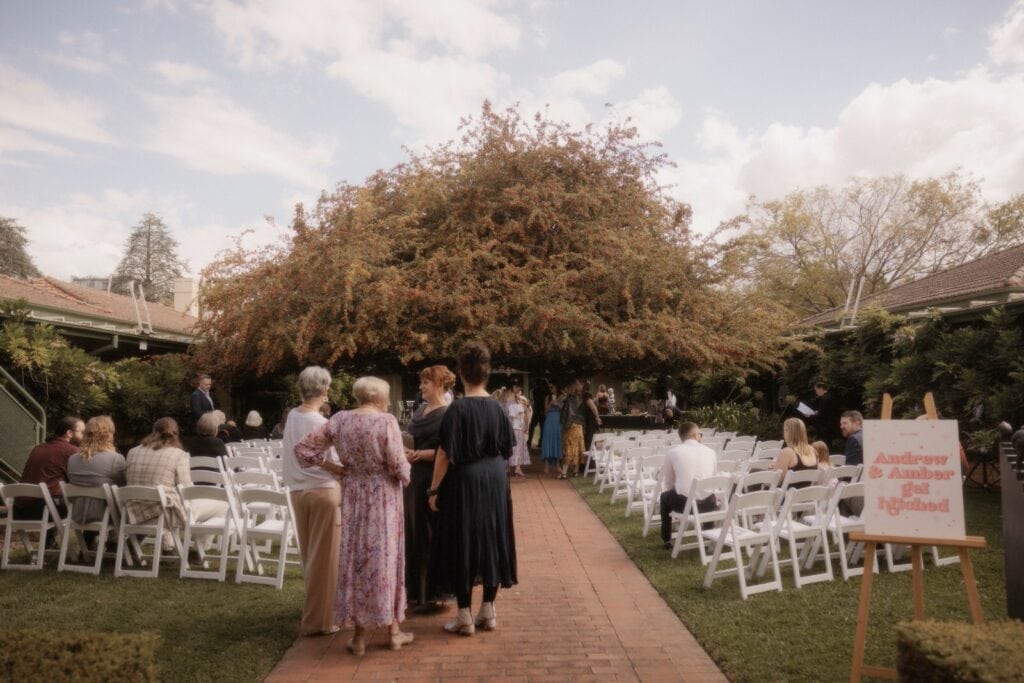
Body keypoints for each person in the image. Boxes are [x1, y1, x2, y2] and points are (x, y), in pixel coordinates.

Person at [295, 376, 412, 655]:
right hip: (383, 497)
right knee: (385, 558)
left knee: (357, 559)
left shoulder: (340, 420)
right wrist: (406, 472)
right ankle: (393, 632)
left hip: (353, 495)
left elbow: (303, 449)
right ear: (380, 397)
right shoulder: (386, 421)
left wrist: (333, 467)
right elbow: (399, 467)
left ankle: (359, 638)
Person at [427, 341, 517, 636]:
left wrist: (433, 489)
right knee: (493, 537)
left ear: (461, 373)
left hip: (464, 480)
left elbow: (444, 454)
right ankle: (488, 610)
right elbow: (507, 450)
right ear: (486, 374)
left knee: (462, 540)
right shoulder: (499, 409)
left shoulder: (457, 409)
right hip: (495, 479)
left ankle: (464, 614)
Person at [282, 366, 342, 637]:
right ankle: (321, 620)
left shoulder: (293, 416)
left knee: (311, 556)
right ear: (324, 390)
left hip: (298, 491)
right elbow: (336, 461)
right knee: (326, 559)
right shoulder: (320, 423)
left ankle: (314, 612)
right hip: (322, 491)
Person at [125, 417, 226, 552]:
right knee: (223, 506)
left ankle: (168, 547)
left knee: (165, 499)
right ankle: (197, 551)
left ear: (153, 431)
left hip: (134, 511)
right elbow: (186, 490)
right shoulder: (178, 455)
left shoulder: (133, 452)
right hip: (164, 513)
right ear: (176, 434)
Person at [403, 365, 456, 612]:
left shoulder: (448, 413)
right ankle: (416, 592)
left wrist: (422, 454)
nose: (421, 386)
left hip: (434, 479)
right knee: (414, 533)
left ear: (440, 385)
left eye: (426, 382)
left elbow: (451, 450)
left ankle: (434, 592)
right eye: (421, 382)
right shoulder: (421, 410)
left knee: (430, 533)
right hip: (413, 479)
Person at [67, 416, 126, 548]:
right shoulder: (115, 459)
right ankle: (113, 543)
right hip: (103, 515)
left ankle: (88, 542)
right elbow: (122, 488)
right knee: (118, 497)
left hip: (77, 513)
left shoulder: (72, 459)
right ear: (108, 435)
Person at [659, 422, 717, 550]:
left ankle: (666, 539)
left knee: (664, 496)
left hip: (685, 505)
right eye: (700, 434)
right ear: (695, 435)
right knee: (708, 492)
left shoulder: (673, 452)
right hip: (709, 504)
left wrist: (675, 491)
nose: (701, 437)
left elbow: (669, 481)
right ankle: (708, 537)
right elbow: (713, 477)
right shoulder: (711, 452)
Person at [14, 416, 83, 521]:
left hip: (20, 509)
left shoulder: (38, 448)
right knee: (88, 503)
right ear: (69, 433)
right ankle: (91, 535)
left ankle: (49, 537)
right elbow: (80, 480)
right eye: (82, 432)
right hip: (46, 509)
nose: (85, 437)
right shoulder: (72, 451)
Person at [772, 417, 820, 486]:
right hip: (804, 494)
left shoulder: (787, 452)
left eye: (785, 430)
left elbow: (776, 480)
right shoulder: (813, 450)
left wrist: (771, 470)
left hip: (785, 494)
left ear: (787, 431)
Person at [559, 380, 586, 479]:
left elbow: (565, 412)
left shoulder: (570, 399)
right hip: (579, 425)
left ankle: (564, 473)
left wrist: (565, 424)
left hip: (571, 425)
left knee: (568, 447)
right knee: (578, 447)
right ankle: (575, 471)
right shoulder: (582, 398)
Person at [506, 384, 531, 477]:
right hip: (513, 427)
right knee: (512, 448)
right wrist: (521, 407)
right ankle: (508, 468)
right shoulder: (510, 402)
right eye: (517, 392)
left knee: (520, 449)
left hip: (519, 428)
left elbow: (525, 413)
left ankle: (518, 468)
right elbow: (512, 413)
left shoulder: (521, 402)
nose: (519, 394)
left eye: (520, 392)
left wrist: (524, 406)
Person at [540, 382, 563, 474]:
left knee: (557, 441)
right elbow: (545, 411)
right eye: (549, 387)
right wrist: (551, 402)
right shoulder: (547, 397)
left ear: (556, 387)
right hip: (549, 420)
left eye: (552, 387)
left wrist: (557, 403)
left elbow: (563, 409)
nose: (551, 389)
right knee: (548, 441)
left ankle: (558, 465)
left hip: (558, 420)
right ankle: (546, 466)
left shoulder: (561, 397)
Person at [811, 382, 841, 449]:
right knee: (829, 443)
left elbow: (821, 415)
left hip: (824, 427)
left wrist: (811, 415)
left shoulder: (823, 399)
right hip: (831, 425)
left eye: (816, 390)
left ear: (821, 389)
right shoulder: (831, 397)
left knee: (823, 445)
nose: (816, 392)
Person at [527, 378, 548, 448]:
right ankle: (537, 441)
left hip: (538, 410)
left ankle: (530, 441)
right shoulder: (543, 391)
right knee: (540, 427)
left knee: (534, 427)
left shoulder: (536, 391)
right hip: (539, 410)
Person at [581, 384, 602, 453]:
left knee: (589, 439)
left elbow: (594, 409)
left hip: (590, 421)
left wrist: (597, 417)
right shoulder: (581, 397)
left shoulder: (587, 397)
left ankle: (591, 458)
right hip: (586, 420)